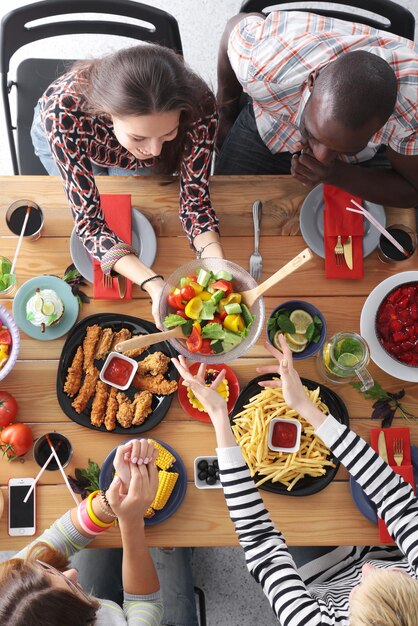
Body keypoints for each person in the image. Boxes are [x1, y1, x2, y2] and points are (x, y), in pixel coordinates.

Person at [172, 337, 418, 625]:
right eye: (397, 576)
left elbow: (260, 540)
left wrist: (219, 416)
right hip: (392, 549)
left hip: (318, 579)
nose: (369, 569)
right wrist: (306, 407)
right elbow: (394, 498)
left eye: (362, 587)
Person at [31, 44, 223, 325]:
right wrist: (153, 283)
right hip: (66, 137)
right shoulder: (63, 114)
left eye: (169, 132)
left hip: (119, 152)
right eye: (139, 137)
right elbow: (90, 225)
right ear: (107, 115)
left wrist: (217, 263)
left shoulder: (201, 106)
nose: (157, 151)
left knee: (132, 199)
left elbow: (196, 204)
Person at [215, 10, 418, 207]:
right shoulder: (262, 65)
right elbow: (231, 30)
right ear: (312, 82)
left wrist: (335, 173)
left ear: (385, 123)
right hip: (271, 120)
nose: (319, 157)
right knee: (223, 206)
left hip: (360, 159)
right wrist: (226, 114)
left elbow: (412, 190)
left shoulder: (412, 109)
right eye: (313, 134)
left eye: (342, 148)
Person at [0, 439, 199, 626]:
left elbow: (62, 537)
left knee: (101, 545)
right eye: (71, 585)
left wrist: (111, 501)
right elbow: (145, 603)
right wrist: (131, 523)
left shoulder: (9, 598)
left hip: (95, 609)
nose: (73, 572)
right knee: (171, 547)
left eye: (50, 571)